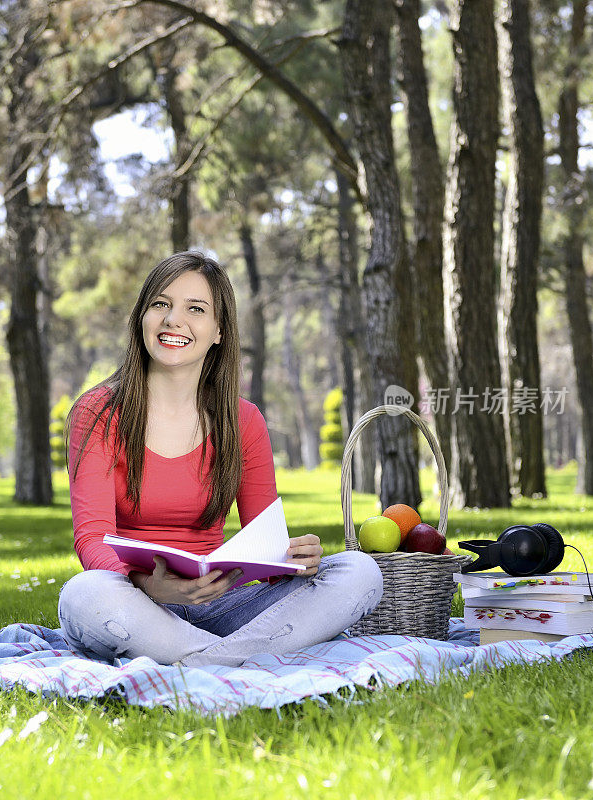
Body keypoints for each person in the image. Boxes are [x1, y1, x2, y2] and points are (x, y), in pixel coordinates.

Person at [58, 251, 383, 667]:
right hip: (136, 602)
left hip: (224, 604)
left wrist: (292, 559)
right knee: (83, 595)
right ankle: (241, 658)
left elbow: (263, 544)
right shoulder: (98, 412)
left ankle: (201, 659)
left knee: (359, 572)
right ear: (142, 318)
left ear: (218, 331)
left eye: (195, 309)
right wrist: (148, 584)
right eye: (161, 304)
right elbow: (91, 538)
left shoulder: (243, 420)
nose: (173, 319)